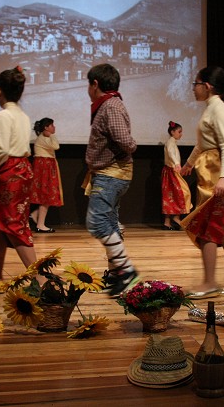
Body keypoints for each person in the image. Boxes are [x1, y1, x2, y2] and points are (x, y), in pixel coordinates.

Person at [179, 66, 224, 298]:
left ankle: (210, 282)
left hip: (219, 169)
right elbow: (202, 144)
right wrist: (189, 164)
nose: (193, 88)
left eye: (196, 84)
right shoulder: (211, 108)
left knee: (207, 226)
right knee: (221, 224)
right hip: (210, 168)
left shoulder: (219, 109)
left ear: (207, 86)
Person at [0, 66, 39, 292]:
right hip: (22, 169)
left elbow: (2, 150)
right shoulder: (23, 115)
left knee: (14, 225)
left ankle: (41, 280)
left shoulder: (3, 115)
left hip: (9, 172)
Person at [83, 63, 138, 298]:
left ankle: (126, 272)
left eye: (88, 84)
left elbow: (126, 141)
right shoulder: (109, 105)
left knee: (97, 222)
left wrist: (130, 147)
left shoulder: (110, 106)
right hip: (110, 173)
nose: (88, 89)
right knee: (110, 224)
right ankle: (117, 275)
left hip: (111, 174)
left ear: (95, 84)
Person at [29, 117, 63, 233]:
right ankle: (40, 224)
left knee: (46, 196)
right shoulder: (43, 139)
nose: (54, 127)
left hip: (46, 166)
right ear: (46, 127)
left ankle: (36, 216)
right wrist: (52, 135)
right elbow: (56, 146)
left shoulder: (45, 138)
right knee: (46, 196)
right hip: (44, 167)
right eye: (52, 125)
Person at [161, 121, 192, 230]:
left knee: (172, 196)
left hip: (172, 171)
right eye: (179, 132)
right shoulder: (170, 142)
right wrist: (177, 163)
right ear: (172, 132)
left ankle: (168, 221)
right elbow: (171, 153)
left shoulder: (172, 142)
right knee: (181, 193)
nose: (181, 134)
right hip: (171, 171)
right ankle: (175, 218)